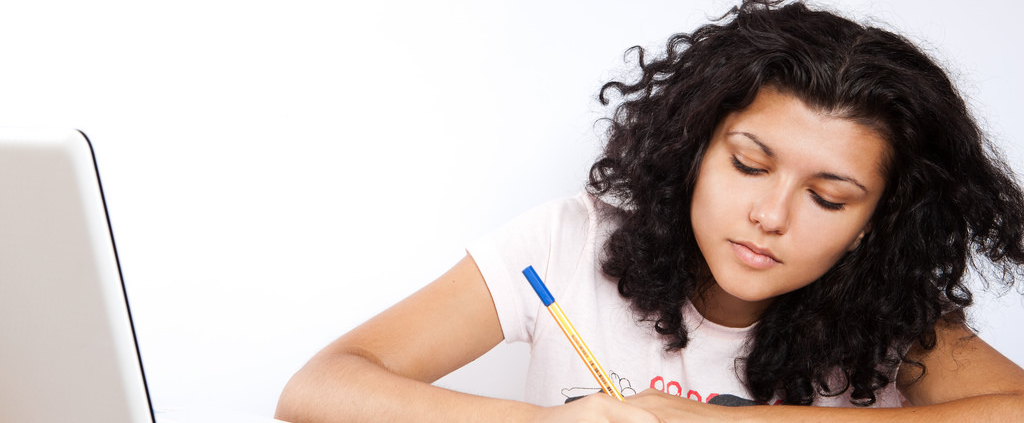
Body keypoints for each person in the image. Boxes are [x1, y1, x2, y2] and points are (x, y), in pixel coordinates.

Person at [275, 0, 1024, 421]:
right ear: (696, 147)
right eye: (748, 164)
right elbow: (316, 390)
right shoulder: (572, 240)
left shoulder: (890, 313)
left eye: (828, 198)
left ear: (878, 221)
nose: (770, 213)